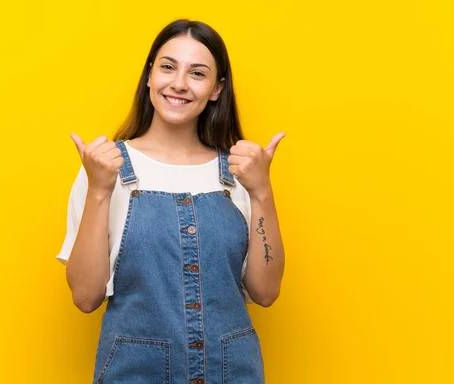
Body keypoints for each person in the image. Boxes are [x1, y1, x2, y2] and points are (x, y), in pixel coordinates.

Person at [56, 19, 286, 383]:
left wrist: (262, 192)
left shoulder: (241, 173)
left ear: (216, 88)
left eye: (197, 73)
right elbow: (85, 297)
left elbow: (266, 291)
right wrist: (99, 190)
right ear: (149, 75)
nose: (179, 84)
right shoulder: (104, 169)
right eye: (167, 67)